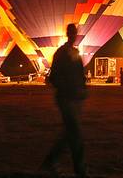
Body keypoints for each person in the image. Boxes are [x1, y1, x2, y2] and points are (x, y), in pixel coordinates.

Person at [40, 24, 88, 177]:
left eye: (75, 33)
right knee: (76, 132)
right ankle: (80, 170)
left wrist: (83, 88)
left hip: (76, 98)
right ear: (67, 34)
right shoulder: (61, 53)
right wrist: (67, 88)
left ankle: (50, 161)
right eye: (72, 33)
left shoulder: (75, 53)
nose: (74, 35)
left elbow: (80, 74)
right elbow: (54, 77)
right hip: (66, 98)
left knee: (70, 133)